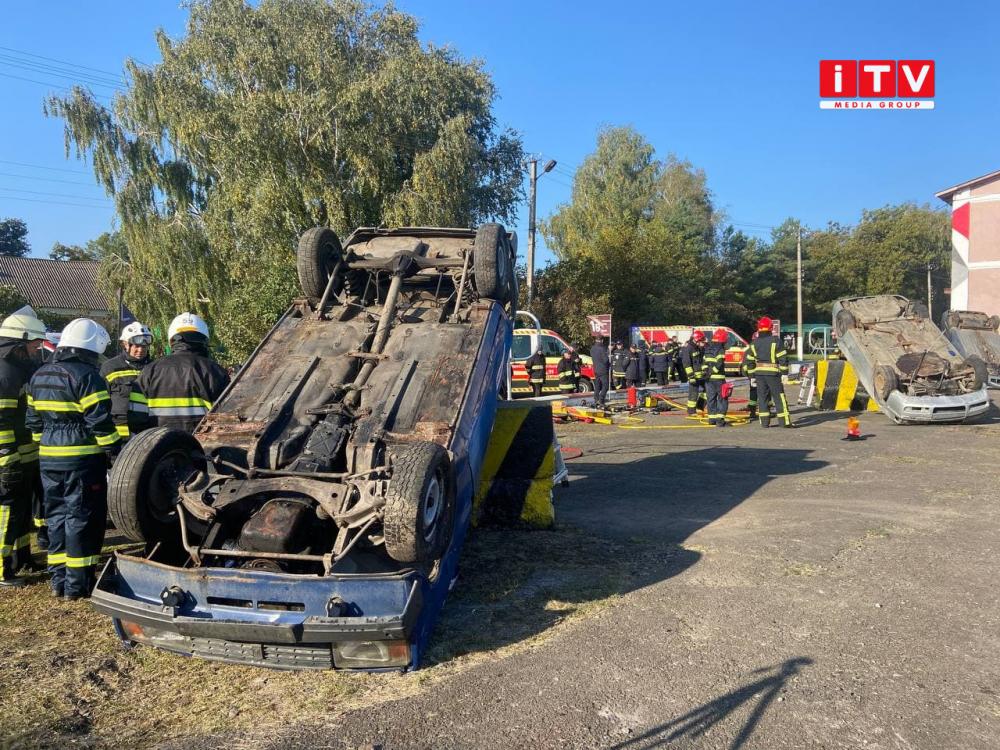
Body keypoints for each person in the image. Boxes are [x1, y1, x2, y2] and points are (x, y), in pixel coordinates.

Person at [27, 319, 121, 599]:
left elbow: (33, 422)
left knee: (55, 517)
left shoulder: (39, 375)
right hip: (82, 460)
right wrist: (115, 451)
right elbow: (100, 422)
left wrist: (48, 446)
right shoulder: (87, 376)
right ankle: (78, 585)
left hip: (48, 458)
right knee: (82, 518)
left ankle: (58, 581)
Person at [0, 310, 47, 586]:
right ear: (19, 343)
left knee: (20, 509)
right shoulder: (5, 373)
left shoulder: (17, 369)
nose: (37, 350)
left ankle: (21, 557)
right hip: (9, 457)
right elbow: (2, 421)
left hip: (24, 453)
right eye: (34, 345)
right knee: (6, 511)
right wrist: (7, 457)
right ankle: (2, 569)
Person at [137, 313, 230, 433]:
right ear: (204, 340)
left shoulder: (149, 370)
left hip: (158, 443)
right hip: (200, 442)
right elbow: (227, 415)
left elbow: (136, 417)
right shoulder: (215, 371)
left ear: (172, 340)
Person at [100, 322, 153, 441]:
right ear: (125, 344)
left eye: (144, 347)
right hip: (119, 437)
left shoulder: (155, 367)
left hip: (148, 435)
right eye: (136, 346)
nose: (140, 350)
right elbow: (101, 404)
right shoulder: (110, 368)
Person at [746, 316, 793, 428]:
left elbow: (749, 360)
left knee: (762, 398)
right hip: (773, 374)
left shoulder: (754, 343)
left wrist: (752, 377)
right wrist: (784, 373)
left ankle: (764, 422)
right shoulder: (775, 341)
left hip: (759, 374)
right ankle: (784, 422)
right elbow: (783, 358)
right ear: (771, 328)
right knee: (779, 397)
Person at [704, 328, 730, 426]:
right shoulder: (721, 349)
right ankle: (720, 421)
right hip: (719, 379)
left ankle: (712, 420)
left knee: (711, 398)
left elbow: (704, 363)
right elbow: (719, 364)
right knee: (723, 398)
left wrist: (707, 372)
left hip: (708, 379)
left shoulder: (708, 348)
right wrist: (713, 371)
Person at [680, 330, 708, 415]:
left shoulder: (698, 347)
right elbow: (686, 364)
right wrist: (691, 376)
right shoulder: (688, 348)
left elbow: (701, 360)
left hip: (701, 375)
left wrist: (705, 370)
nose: (702, 342)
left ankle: (700, 406)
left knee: (708, 389)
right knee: (693, 394)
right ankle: (691, 411)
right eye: (701, 340)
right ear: (696, 340)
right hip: (693, 375)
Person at [589, 337, 610, 408]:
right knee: (605, 386)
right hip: (603, 370)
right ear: (602, 340)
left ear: (596, 340)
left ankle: (596, 399)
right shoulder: (602, 349)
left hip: (595, 369)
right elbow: (605, 360)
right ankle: (601, 400)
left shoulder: (592, 348)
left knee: (597, 385)